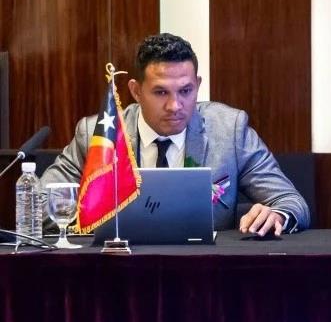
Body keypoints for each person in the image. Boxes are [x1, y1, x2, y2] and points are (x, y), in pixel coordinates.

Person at [41, 33, 309, 236]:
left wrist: (277, 214)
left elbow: (291, 201)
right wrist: (93, 215)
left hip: (204, 276)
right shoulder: (98, 134)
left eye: (185, 91)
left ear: (198, 85)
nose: (175, 106)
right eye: (160, 92)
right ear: (135, 91)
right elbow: (37, 205)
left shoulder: (230, 130)